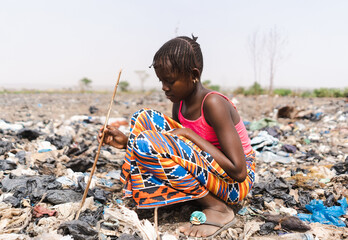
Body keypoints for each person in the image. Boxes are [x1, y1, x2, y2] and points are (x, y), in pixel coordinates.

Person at [98, 35, 255, 238]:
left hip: (234, 185)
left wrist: (189, 134)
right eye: (161, 80)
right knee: (142, 117)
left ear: (194, 75)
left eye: (170, 81)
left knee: (148, 140)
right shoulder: (179, 103)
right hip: (210, 172)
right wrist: (128, 142)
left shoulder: (213, 104)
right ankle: (184, 195)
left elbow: (239, 171)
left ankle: (219, 209)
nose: (164, 87)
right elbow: (174, 148)